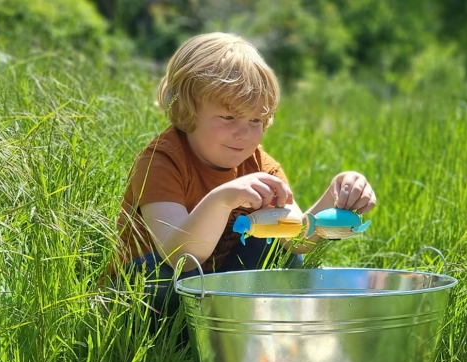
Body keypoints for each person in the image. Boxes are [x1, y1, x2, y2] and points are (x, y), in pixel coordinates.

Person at [114, 32, 376, 316]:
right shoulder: (161, 161)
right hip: (152, 292)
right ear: (186, 109)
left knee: (282, 254)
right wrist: (221, 200)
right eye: (228, 117)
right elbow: (181, 258)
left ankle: (239, 325)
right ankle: (184, 337)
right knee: (154, 274)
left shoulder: (260, 165)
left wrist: (334, 198)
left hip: (217, 286)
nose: (243, 133)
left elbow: (295, 240)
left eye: (255, 120)